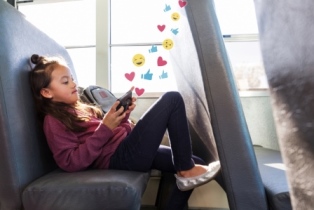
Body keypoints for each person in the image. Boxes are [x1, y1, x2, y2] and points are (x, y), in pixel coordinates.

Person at [29, 54, 220, 209]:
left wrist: (125, 118)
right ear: (46, 92)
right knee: (172, 100)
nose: (73, 84)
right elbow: (70, 162)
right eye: (65, 82)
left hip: (125, 148)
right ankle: (186, 170)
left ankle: (184, 175)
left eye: (72, 79)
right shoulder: (53, 121)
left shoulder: (84, 109)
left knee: (197, 163)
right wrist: (106, 127)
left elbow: (116, 133)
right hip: (119, 157)